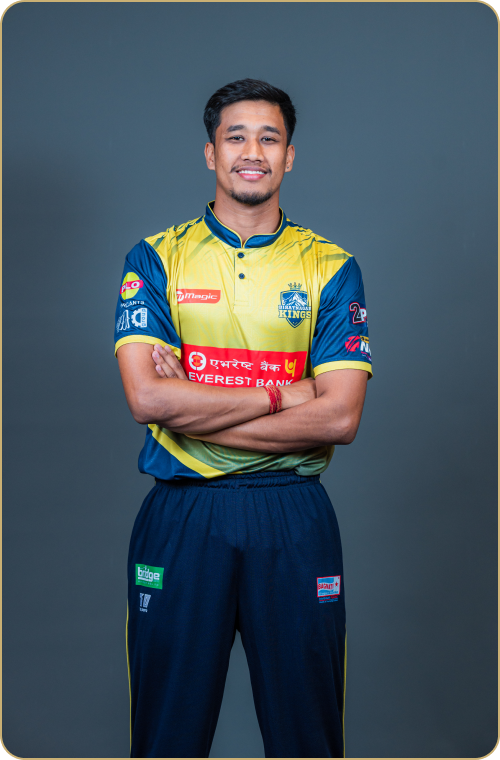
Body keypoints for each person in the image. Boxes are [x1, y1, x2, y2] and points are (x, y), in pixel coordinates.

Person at [114, 78, 372, 759]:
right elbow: (149, 401)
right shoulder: (156, 257)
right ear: (210, 153)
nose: (251, 152)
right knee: (165, 739)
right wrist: (284, 394)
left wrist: (194, 404)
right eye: (236, 137)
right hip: (183, 511)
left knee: (309, 738)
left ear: (290, 156)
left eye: (269, 138)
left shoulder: (331, 267)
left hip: (292, 511)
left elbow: (340, 417)